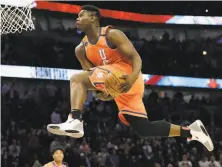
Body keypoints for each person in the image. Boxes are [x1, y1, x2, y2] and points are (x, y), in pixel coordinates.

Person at [47, 5, 214, 151]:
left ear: (93, 18)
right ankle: (192, 131)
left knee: (76, 78)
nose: (77, 19)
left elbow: (136, 58)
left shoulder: (111, 34)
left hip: (128, 76)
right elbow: (91, 77)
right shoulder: (80, 50)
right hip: (118, 87)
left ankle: (75, 119)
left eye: (81, 15)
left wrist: (132, 78)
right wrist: (102, 93)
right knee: (144, 129)